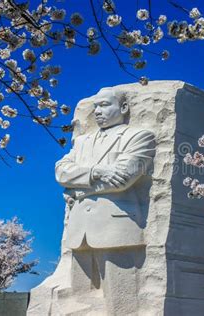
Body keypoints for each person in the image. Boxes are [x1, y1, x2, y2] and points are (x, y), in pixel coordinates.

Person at [55, 87, 155, 313]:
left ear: (124, 107)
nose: (98, 111)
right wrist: (96, 172)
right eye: (95, 106)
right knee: (77, 302)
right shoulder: (82, 142)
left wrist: (77, 188)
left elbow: (124, 179)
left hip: (116, 226)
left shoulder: (139, 136)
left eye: (104, 105)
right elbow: (61, 172)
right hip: (79, 230)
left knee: (121, 304)